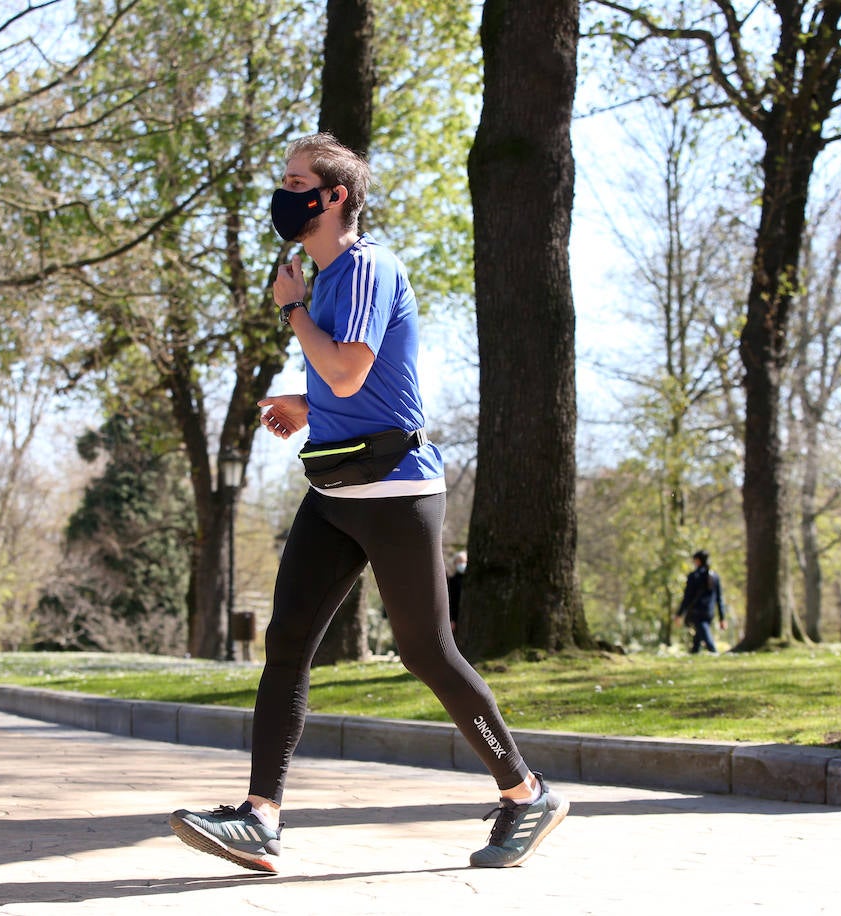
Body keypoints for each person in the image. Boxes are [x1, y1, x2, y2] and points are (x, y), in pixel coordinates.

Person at [169, 134, 568, 874]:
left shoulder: (362, 267)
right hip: (336, 489)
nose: (282, 192)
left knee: (425, 651)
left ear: (333, 196)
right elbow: (357, 385)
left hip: (396, 492)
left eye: (295, 180)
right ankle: (260, 818)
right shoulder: (329, 280)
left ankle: (527, 791)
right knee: (287, 643)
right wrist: (305, 402)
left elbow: (349, 372)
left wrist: (293, 314)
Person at [674, 550, 726, 654]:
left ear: (698, 561)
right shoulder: (715, 576)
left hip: (696, 611)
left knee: (704, 632)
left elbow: (687, 597)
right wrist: (722, 617)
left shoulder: (694, 576)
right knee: (699, 634)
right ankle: (694, 652)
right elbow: (719, 598)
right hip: (710, 611)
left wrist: (679, 613)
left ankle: (714, 651)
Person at [447, 550, 467, 632]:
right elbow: (451, 600)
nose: (461, 564)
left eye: (463, 561)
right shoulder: (453, 581)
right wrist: (452, 619)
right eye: (459, 562)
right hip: (457, 617)